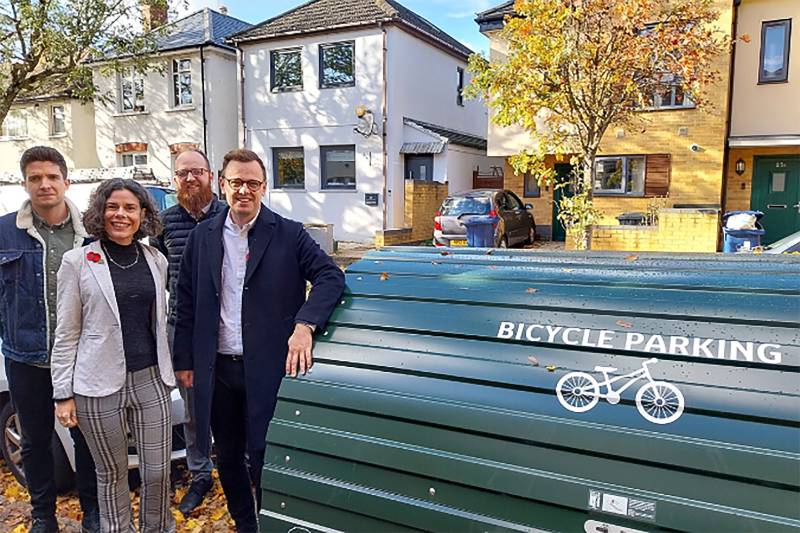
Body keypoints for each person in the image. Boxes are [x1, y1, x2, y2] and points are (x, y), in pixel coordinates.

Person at [173, 148, 344, 532]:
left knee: (265, 453)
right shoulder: (203, 236)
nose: (244, 190)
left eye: (252, 183)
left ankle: (270, 520)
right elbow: (185, 299)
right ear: (223, 184)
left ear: (264, 187)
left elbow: (330, 277)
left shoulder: (288, 232)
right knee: (228, 456)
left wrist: (305, 326)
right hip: (217, 369)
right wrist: (184, 360)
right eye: (236, 182)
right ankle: (246, 524)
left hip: (267, 368)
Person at [51, 179, 176, 533]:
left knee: (157, 470)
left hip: (151, 378)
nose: (121, 214)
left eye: (130, 208)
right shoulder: (78, 261)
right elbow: (67, 331)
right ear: (100, 212)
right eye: (113, 207)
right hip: (97, 384)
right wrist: (63, 393)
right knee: (112, 474)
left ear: (143, 215)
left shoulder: (156, 259)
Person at [0, 146, 100, 533]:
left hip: (81, 359)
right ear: (24, 183)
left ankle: (92, 511)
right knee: (35, 441)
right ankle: (43, 515)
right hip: (26, 358)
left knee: (88, 439)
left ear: (65, 181)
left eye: (51, 177)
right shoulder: (5, 231)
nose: (44, 184)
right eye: (35, 178)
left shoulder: (91, 232)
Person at [154, 148, 225, 515]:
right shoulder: (163, 224)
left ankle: (240, 464)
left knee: (234, 402)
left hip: (227, 329)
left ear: (211, 175)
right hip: (183, 329)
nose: (190, 178)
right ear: (175, 179)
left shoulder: (231, 216)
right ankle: (200, 473)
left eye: (197, 171)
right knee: (195, 407)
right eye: (183, 173)